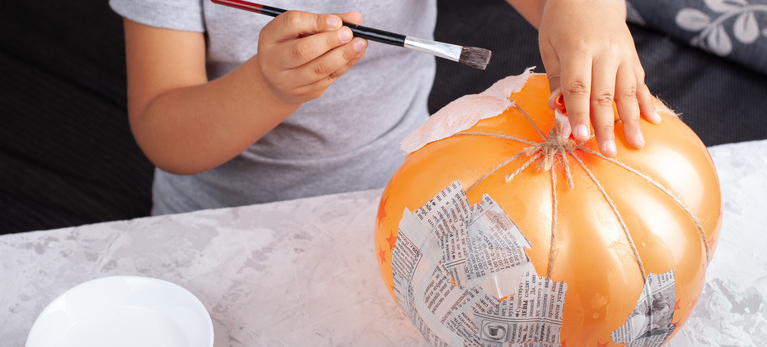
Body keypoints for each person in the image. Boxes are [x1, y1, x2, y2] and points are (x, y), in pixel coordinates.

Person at [110, 0, 661, 215]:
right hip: (221, 220)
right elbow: (165, 134)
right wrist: (267, 88)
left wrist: (590, 14)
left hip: (399, 199)